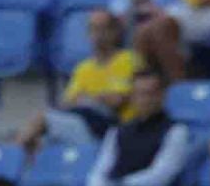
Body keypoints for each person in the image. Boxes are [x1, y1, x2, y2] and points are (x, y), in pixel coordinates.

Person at [17, 10, 137, 153]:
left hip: (113, 128)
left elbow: (117, 101)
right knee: (45, 139)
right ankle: (18, 161)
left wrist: (88, 98)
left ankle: (11, 158)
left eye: (102, 28)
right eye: (92, 29)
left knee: (42, 121)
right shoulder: (83, 68)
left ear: (115, 32)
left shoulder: (128, 60)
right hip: (85, 122)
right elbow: (69, 102)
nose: (97, 35)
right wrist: (98, 98)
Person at [86, 68, 190, 186]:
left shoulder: (176, 131)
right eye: (139, 94)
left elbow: (160, 176)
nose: (144, 100)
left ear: (162, 95)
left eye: (150, 94)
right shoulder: (118, 131)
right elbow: (101, 168)